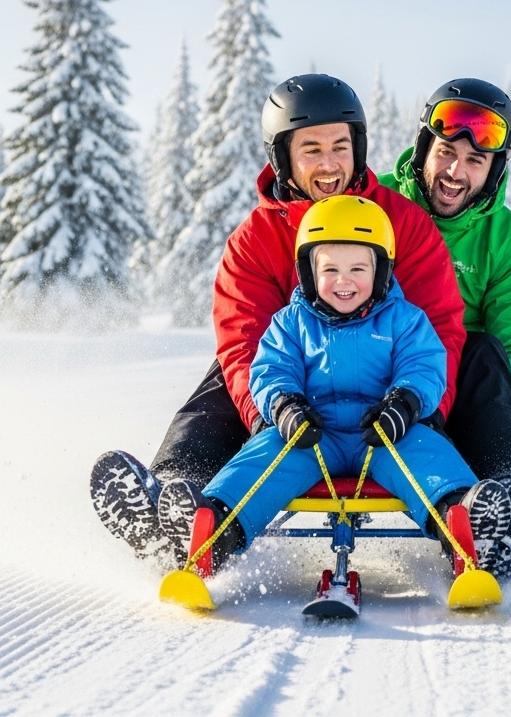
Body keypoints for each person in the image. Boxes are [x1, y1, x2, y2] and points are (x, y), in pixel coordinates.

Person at [88, 74, 466, 566]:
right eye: (311, 149)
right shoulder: (255, 238)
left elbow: (436, 330)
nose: (329, 163)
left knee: (481, 361)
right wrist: (276, 414)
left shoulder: (400, 222)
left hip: (387, 409)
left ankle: (493, 509)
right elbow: (244, 345)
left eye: (339, 146)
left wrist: (419, 409)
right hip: (296, 409)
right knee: (219, 381)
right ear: (283, 157)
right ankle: (177, 505)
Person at [158, 197, 511, 573]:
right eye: (330, 270)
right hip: (312, 434)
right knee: (263, 458)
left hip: (386, 432)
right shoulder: (290, 323)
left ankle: (466, 521)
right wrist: (285, 408)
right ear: (309, 272)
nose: (344, 281)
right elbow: (271, 369)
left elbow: (425, 367)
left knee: (428, 455)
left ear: (381, 271)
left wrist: (404, 405)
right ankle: (212, 526)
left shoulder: (405, 320)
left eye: (358, 268)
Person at [379, 78, 511, 574]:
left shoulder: (506, 244)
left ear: (493, 171)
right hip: (361, 375)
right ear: (425, 148)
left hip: (448, 399)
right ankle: (192, 500)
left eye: (474, 161)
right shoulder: (376, 201)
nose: (455, 172)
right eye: (446, 152)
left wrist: (446, 400)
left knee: (487, 350)